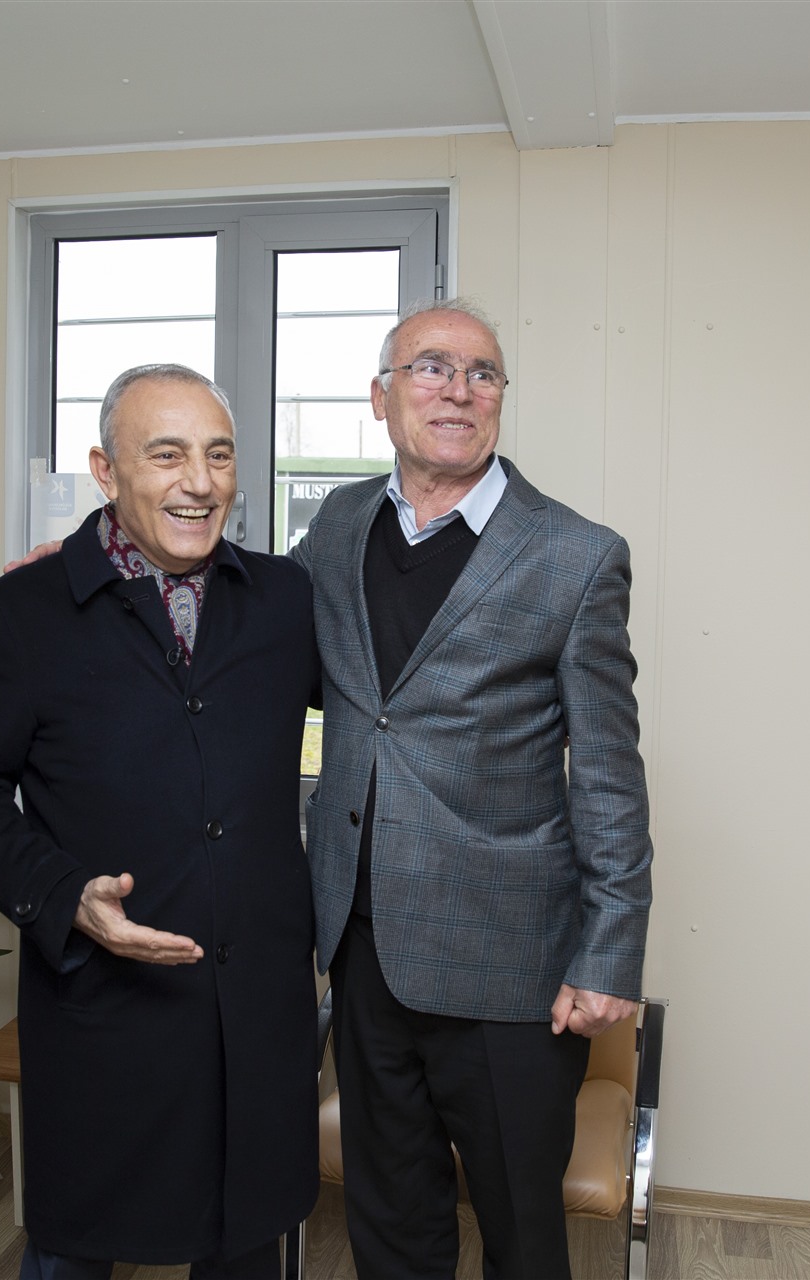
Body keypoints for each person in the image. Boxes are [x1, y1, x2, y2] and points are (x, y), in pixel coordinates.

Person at [288, 298, 653, 1279]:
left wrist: (610, 950)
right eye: (431, 367)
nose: (457, 390)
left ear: (499, 398)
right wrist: (116, 567)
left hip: (510, 972)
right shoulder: (339, 524)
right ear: (381, 396)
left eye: (481, 372)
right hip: (363, 950)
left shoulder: (577, 555)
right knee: (390, 1223)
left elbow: (609, 773)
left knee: (522, 1235)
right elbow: (264, 638)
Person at [0, 364, 321, 1280]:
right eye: (166, 455)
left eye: (218, 455)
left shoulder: (288, 601)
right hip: (106, 1019)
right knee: (76, 1251)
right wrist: (62, 895)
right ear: (105, 472)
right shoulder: (20, 615)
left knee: (248, 1246)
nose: (199, 482)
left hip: (259, 1015)